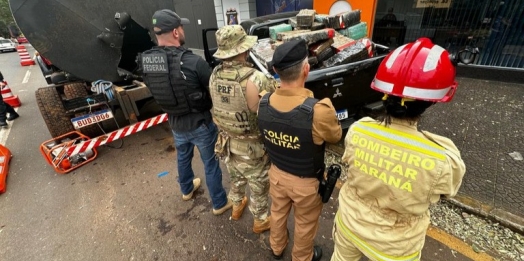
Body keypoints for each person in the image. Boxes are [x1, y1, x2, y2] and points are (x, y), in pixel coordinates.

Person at [331, 38, 466, 261]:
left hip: (350, 224)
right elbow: (446, 192)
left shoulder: (358, 130)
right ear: (431, 101)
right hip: (395, 246)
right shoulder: (444, 158)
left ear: (384, 95)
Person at [257, 39, 342, 261]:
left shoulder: (263, 103)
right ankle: (301, 258)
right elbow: (335, 136)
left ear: (275, 71)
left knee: (277, 214)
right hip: (306, 184)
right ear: (306, 69)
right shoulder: (318, 110)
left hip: (276, 174)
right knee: (305, 225)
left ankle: (276, 248)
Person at [140, 9, 231, 215]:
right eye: (181, 27)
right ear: (174, 32)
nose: (183, 30)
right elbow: (214, 88)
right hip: (201, 124)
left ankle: (187, 189)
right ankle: (219, 203)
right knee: (210, 164)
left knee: (183, 157)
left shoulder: (148, 62)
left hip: (175, 123)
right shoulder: (193, 62)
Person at [209, 25, 278, 233]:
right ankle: (261, 219)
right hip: (252, 146)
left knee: (236, 176)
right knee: (258, 183)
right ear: (243, 50)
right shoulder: (256, 78)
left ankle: (237, 206)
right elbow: (273, 109)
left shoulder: (214, 75)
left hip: (227, 142)